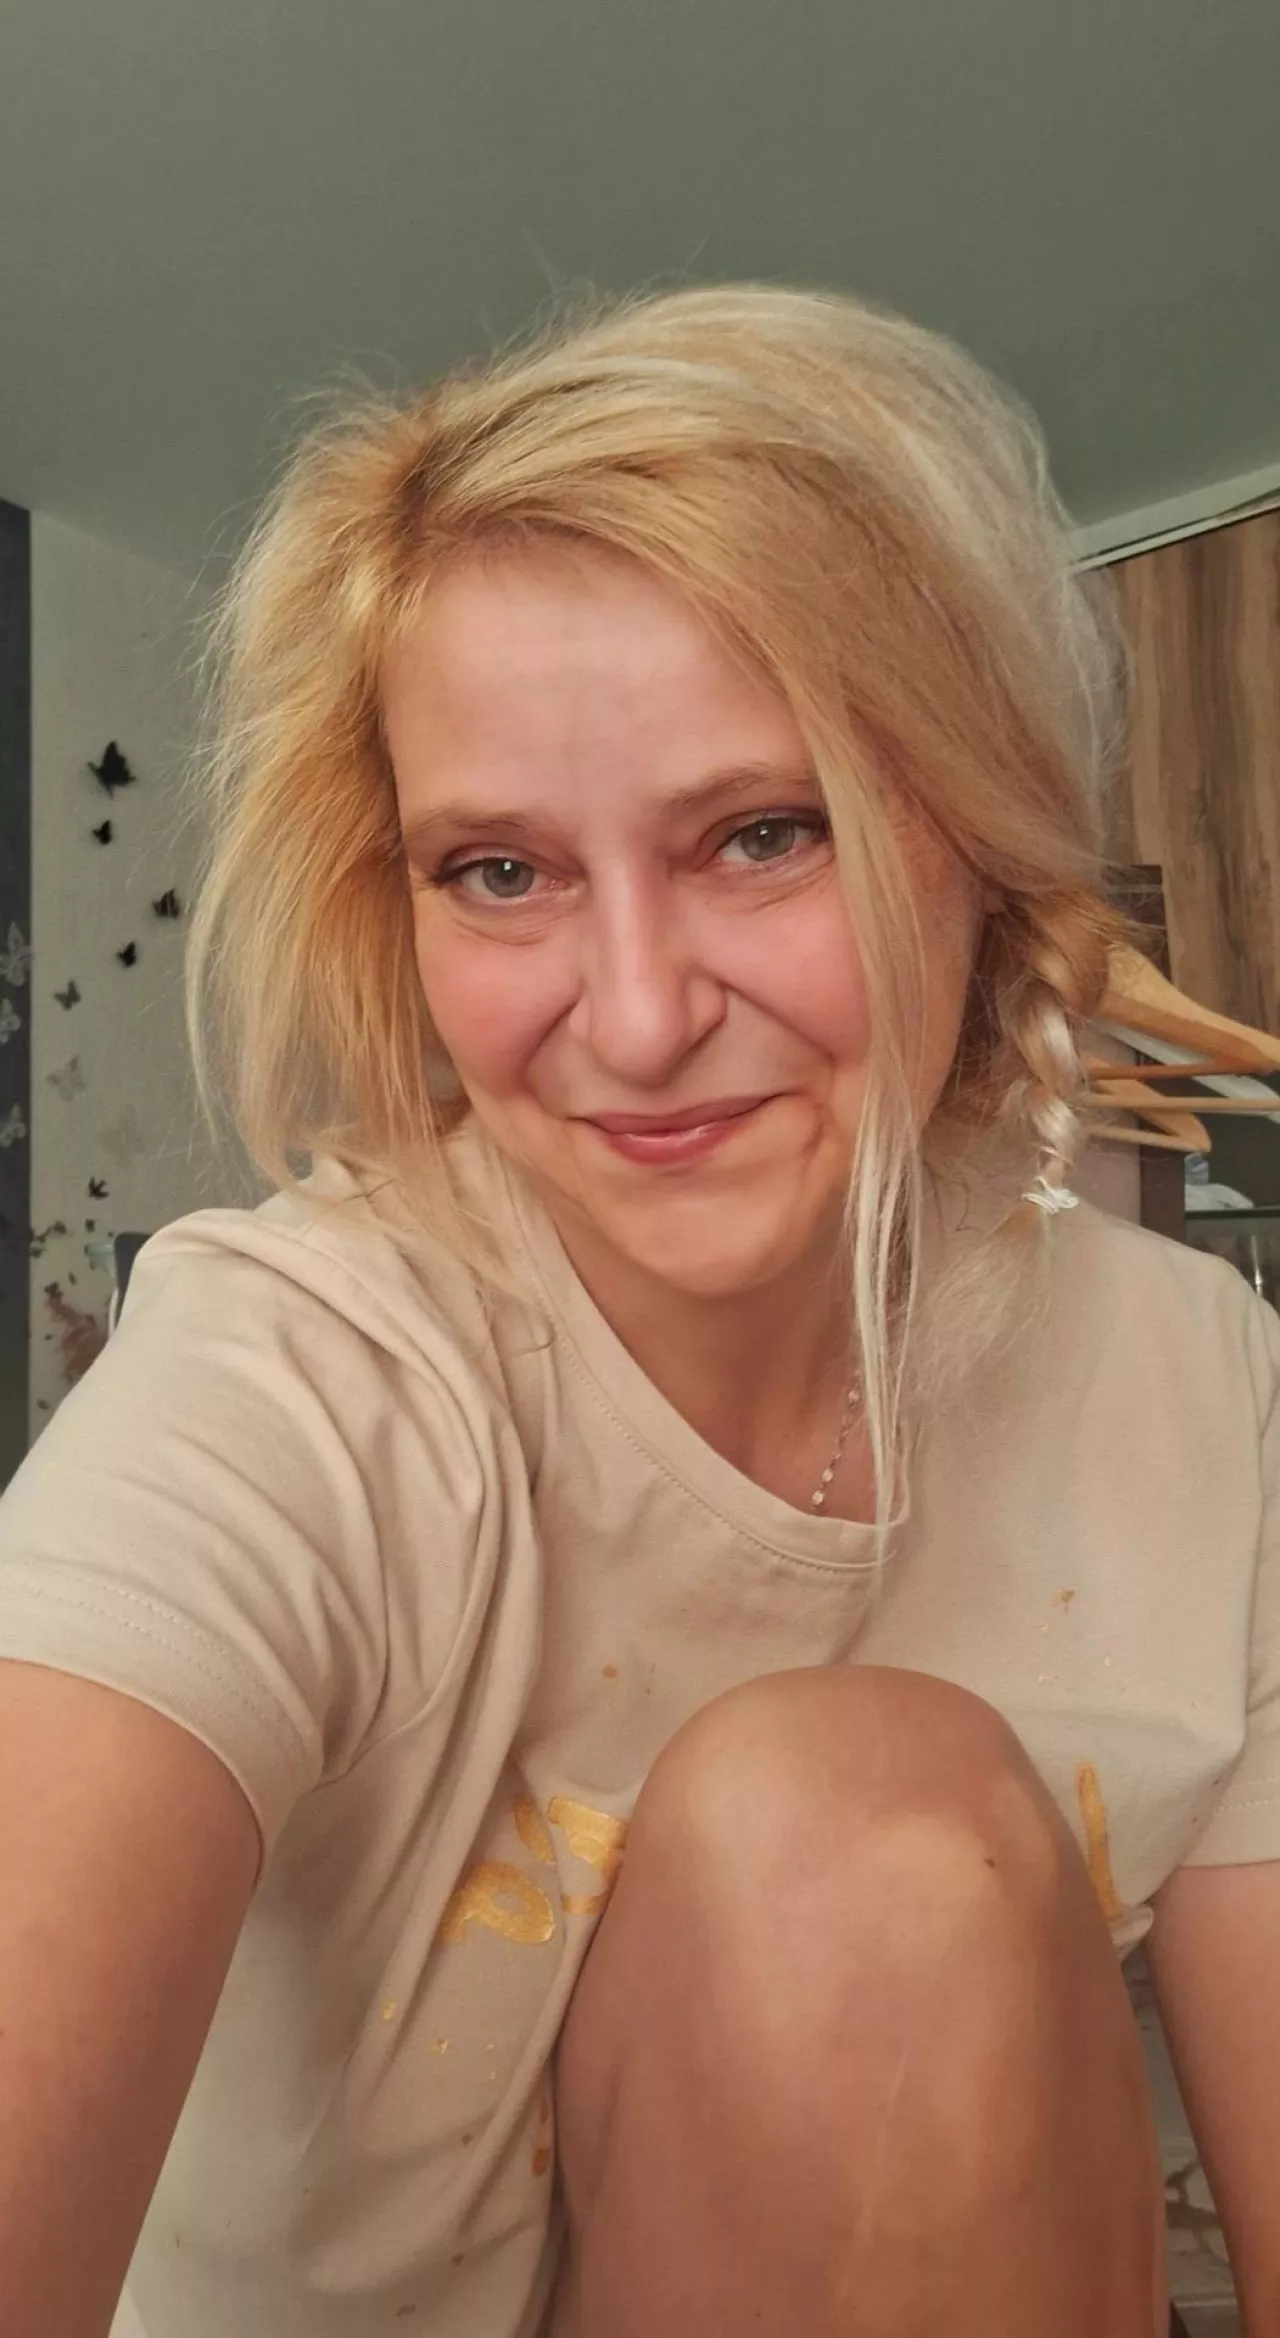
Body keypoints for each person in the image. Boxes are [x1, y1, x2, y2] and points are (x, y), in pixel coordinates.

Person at [0, 282, 1274, 2338]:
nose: (640, 1014)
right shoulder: (292, 1380)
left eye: (761, 834)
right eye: (499, 871)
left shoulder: (1200, 1391)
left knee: (854, 1826)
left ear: (976, 833)